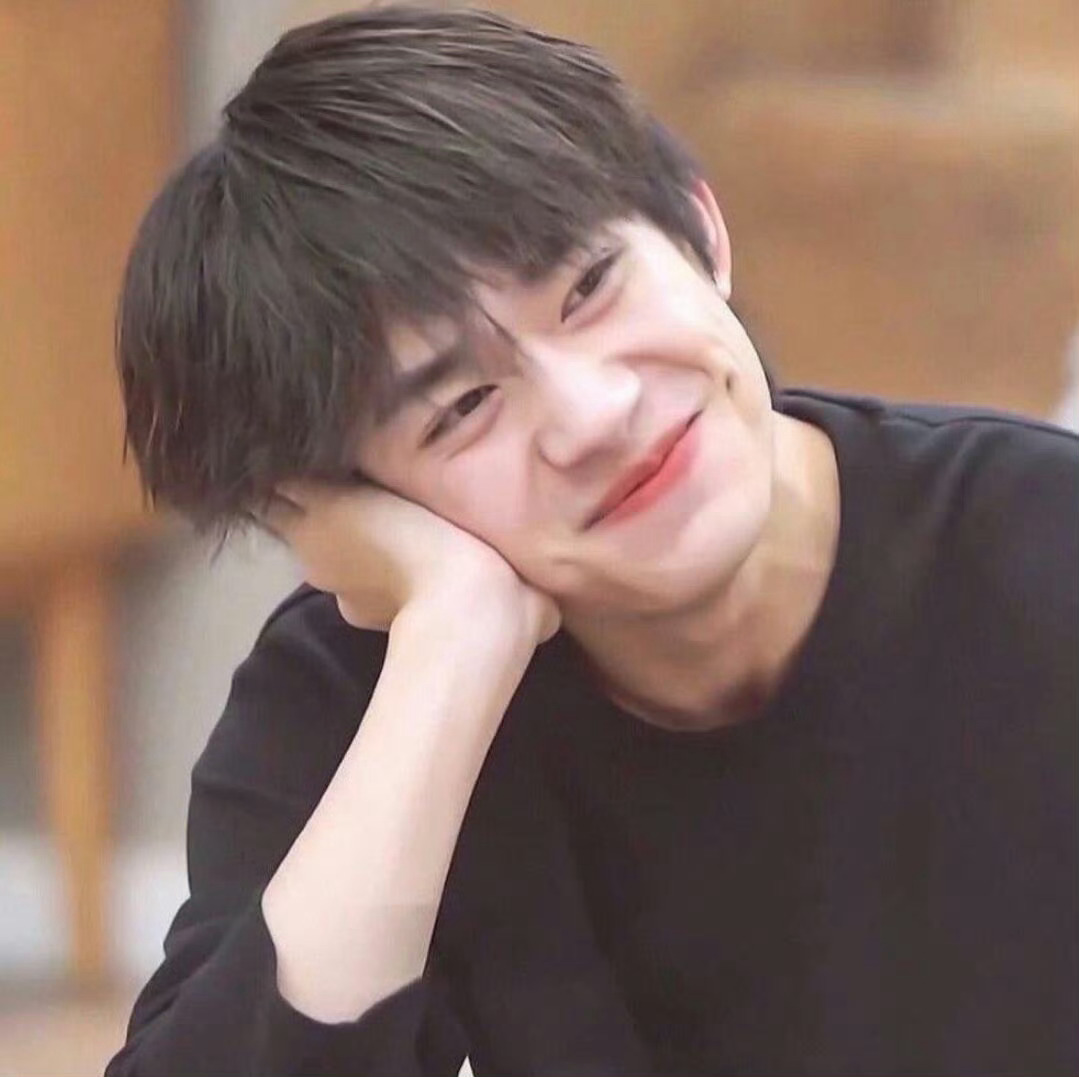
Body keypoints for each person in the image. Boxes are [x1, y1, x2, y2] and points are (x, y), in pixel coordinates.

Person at [106, 5, 1078, 1075]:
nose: (593, 415)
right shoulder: (357, 695)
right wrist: (453, 653)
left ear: (701, 233)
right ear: (343, 510)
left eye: (589, 286)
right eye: (461, 407)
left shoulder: (1043, 543)